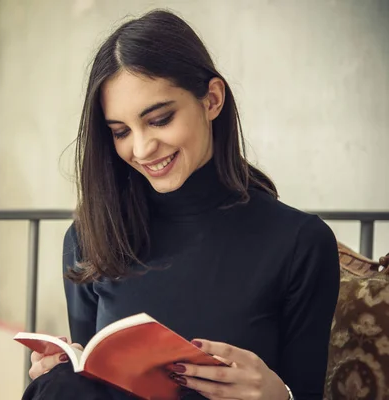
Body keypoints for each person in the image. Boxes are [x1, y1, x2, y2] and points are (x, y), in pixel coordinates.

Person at [23, 9, 340, 400]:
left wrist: (280, 395)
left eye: (159, 119)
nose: (141, 149)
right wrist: (54, 376)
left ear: (212, 100)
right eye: (120, 132)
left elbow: (304, 391)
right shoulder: (91, 239)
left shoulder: (300, 243)